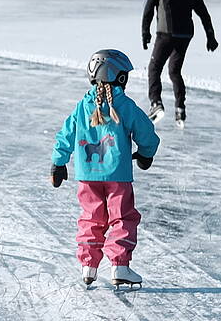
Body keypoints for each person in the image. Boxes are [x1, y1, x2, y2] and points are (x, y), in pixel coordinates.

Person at [51, 49, 160, 287]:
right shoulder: (125, 105)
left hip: (87, 176)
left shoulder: (82, 107)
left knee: (92, 218)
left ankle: (88, 267)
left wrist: (58, 162)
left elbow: (65, 134)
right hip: (118, 176)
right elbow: (147, 133)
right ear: (119, 77)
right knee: (122, 218)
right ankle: (120, 266)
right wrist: (145, 154)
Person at [140, 0, 218, 127]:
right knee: (174, 71)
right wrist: (210, 36)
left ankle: (155, 104)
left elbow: (148, 8)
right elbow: (203, 13)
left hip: (166, 34)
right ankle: (180, 109)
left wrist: (145, 32)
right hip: (185, 35)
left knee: (154, 68)